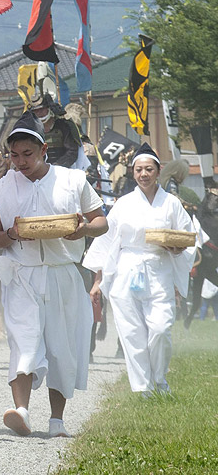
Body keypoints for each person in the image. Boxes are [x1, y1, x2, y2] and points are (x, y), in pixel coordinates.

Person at [0, 110, 107, 438]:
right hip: (22, 274)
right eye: (14, 155)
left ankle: (57, 421)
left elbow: (101, 222)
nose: (21, 162)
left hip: (62, 274)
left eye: (28, 154)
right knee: (23, 341)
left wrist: (81, 229)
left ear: (44, 151)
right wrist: (11, 234)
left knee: (61, 347)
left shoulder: (73, 180)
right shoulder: (1, 187)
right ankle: (22, 410)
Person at [84, 143, 199, 396]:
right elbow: (106, 243)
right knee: (132, 333)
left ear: (158, 171)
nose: (143, 174)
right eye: (139, 170)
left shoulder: (171, 204)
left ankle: (160, 380)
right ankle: (143, 389)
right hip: (127, 270)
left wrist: (176, 249)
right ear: (133, 172)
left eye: (149, 169)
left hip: (160, 270)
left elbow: (188, 238)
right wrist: (97, 281)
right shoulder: (123, 204)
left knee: (160, 328)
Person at [29, 92, 87, 170]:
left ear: (49, 108)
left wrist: (56, 166)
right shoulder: (31, 130)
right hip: (38, 171)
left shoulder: (64, 126)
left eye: (41, 109)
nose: (39, 113)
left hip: (62, 171)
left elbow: (72, 152)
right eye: (36, 111)